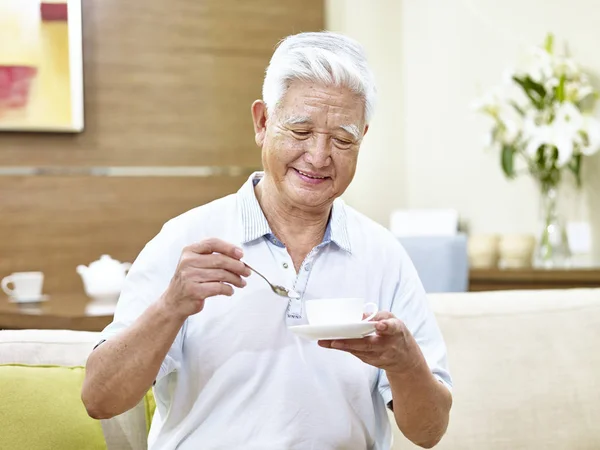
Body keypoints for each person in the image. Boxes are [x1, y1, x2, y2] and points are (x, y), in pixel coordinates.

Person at [81, 31, 452, 450]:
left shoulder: (384, 255)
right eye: (300, 130)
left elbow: (429, 432)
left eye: (343, 139)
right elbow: (100, 399)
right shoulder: (185, 240)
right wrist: (171, 306)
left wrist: (405, 363)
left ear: (362, 138)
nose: (318, 155)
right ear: (262, 122)